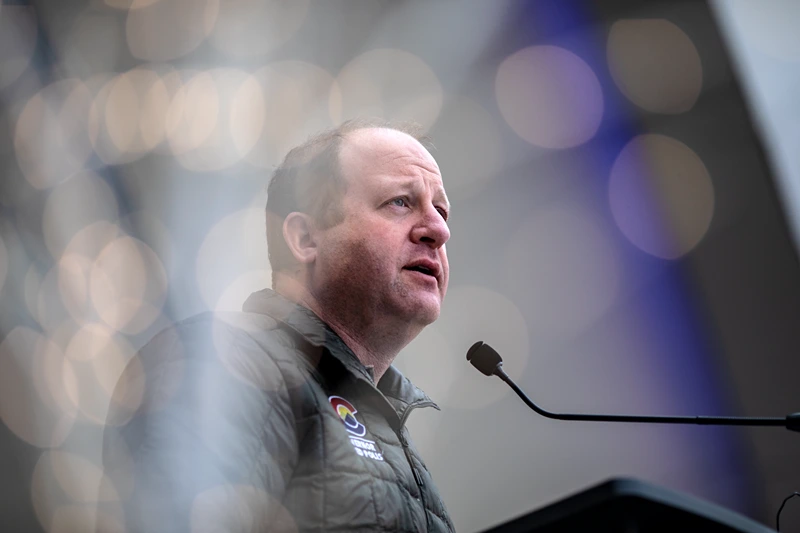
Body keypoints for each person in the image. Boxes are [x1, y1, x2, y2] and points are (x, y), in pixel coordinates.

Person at [102, 119, 455, 532]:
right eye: (399, 202)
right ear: (305, 238)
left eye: (442, 210)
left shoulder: (384, 426)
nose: (439, 230)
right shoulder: (227, 362)